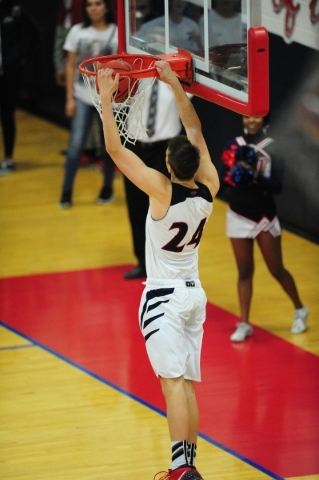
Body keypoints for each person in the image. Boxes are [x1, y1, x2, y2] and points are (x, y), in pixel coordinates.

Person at [98, 60, 219, 480]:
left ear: (168, 166)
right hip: (195, 295)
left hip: (165, 296)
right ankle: (188, 468)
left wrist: (106, 99)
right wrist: (175, 86)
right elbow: (196, 133)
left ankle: (179, 469)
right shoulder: (209, 188)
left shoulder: (160, 191)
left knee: (173, 388)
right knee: (185, 386)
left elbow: (115, 151)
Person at [220, 115, 309, 342]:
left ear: (264, 119)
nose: (251, 120)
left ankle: (300, 308)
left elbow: (277, 187)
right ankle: (244, 322)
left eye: (256, 117)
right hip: (238, 214)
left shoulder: (273, 147)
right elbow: (222, 180)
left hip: (264, 216)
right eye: (247, 116)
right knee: (244, 271)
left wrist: (255, 175)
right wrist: (234, 174)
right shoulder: (234, 144)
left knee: (276, 268)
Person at [123, 79, 184, 279]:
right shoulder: (136, 75)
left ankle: (166, 262)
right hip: (136, 146)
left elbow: (190, 98)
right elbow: (118, 102)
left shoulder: (174, 78)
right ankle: (143, 262)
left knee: (165, 210)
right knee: (136, 206)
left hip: (164, 149)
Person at [59, 0, 117, 208]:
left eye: (98, 4)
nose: (94, 8)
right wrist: (69, 99)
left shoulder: (117, 32)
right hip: (82, 96)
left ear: (106, 7)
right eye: (89, 4)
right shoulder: (77, 31)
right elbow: (70, 64)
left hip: (107, 100)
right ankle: (66, 191)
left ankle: (107, 187)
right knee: (75, 146)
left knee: (109, 147)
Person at [0, 0, 41, 174]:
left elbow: (36, 32)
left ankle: (8, 158)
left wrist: (22, 58)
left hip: (9, 72)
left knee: (7, 114)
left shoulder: (13, 11)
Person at [137, 0, 202, 53]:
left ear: (186, 3)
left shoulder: (192, 25)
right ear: (170, 2)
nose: (179, 1)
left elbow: (198, 51)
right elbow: (138, 41)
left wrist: (198, 41)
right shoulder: (156, 24)